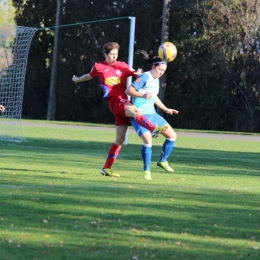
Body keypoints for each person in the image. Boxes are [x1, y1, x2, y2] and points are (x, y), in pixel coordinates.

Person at [72, 42, 168, 178]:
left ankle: (106, 168)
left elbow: (135, 73)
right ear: (105, 54)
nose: (114, 57)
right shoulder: (98, 67)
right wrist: (77, 79)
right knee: (136, 112)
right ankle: (153, 129)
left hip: (122, 101)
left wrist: (138, 73)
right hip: (115, 100)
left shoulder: (122, 66)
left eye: (116, 55)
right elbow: (88, 76)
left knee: (120, 139)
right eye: (111, 55)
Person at [125, 50, 179, 180]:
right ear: (153, 66)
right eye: (160, 69)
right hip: (139, 115)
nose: (161, 73)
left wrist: (165, 109)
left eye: (164, 71)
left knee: (172, 136)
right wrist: (142, 95)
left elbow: (153, 97)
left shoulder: (156, 80)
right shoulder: (145, 77)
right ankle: (146, 171)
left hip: (152, 114)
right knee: (148, 141)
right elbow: (129, 90)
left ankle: (162, 161)